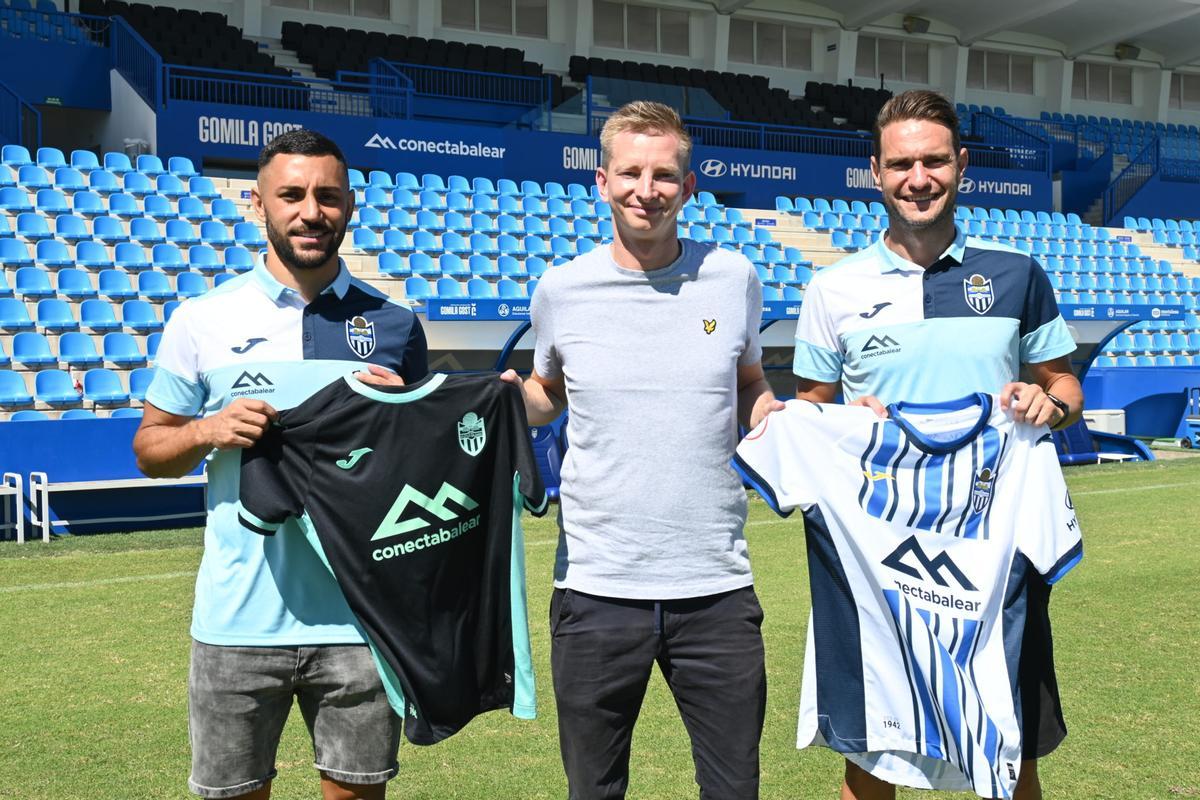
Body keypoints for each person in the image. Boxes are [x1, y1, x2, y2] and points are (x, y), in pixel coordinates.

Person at [792, 89, 1083, 800]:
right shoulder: (833, 289)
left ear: (961, 166)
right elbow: (809, 413)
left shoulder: (1016, 274)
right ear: (874, 172)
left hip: (991, 550)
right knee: (872, 750)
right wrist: (841, 421)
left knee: (1011, 745)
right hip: (880, 552)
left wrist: (1049, 402)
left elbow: (1065, 386)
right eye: (900, 164)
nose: (916, 178)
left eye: (932, 161)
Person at [133, 129, 427, 800]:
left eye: (327, 195)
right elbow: (151, 450)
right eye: (291, 195)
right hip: (236, 624)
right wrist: (209, 429)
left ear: (350, 205)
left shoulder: (396, 325)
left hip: (360, 622)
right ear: (257, 203)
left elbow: (419, 470)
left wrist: (398, 419)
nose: (310, 211)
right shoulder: (201, 319)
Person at [501, 100, 783, 800]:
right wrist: (504, 401)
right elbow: (550, 392)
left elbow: (748, 382)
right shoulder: (562, 289)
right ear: (603, 181)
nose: (646, 190)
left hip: (715, 587)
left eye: (664, 175)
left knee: (733, 789)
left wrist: (774, 414)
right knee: (593, 791)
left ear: (688, 189)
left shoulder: (734, 277)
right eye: (630, 173)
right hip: (597, 589)